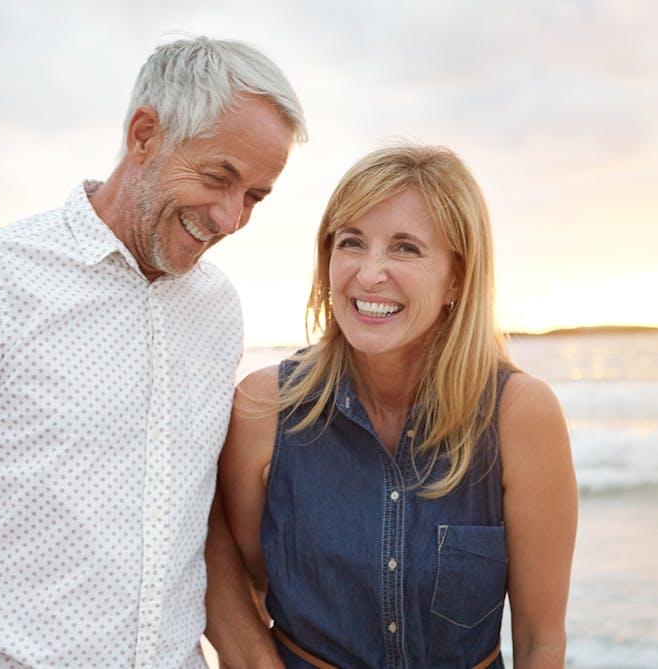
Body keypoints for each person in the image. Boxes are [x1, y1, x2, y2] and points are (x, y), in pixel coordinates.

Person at [0, 36, 307, 669]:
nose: (231, 218)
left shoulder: (218, 308)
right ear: (144, 134)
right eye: (218, 178)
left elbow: (194, 521)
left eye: (255, 197)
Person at [210, 145, 578, 668]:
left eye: (405, 249)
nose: (370, 274)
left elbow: (542, 642)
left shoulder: (520, 414)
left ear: (456, 278)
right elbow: (237, 591)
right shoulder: (264, 407)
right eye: (351, 242)